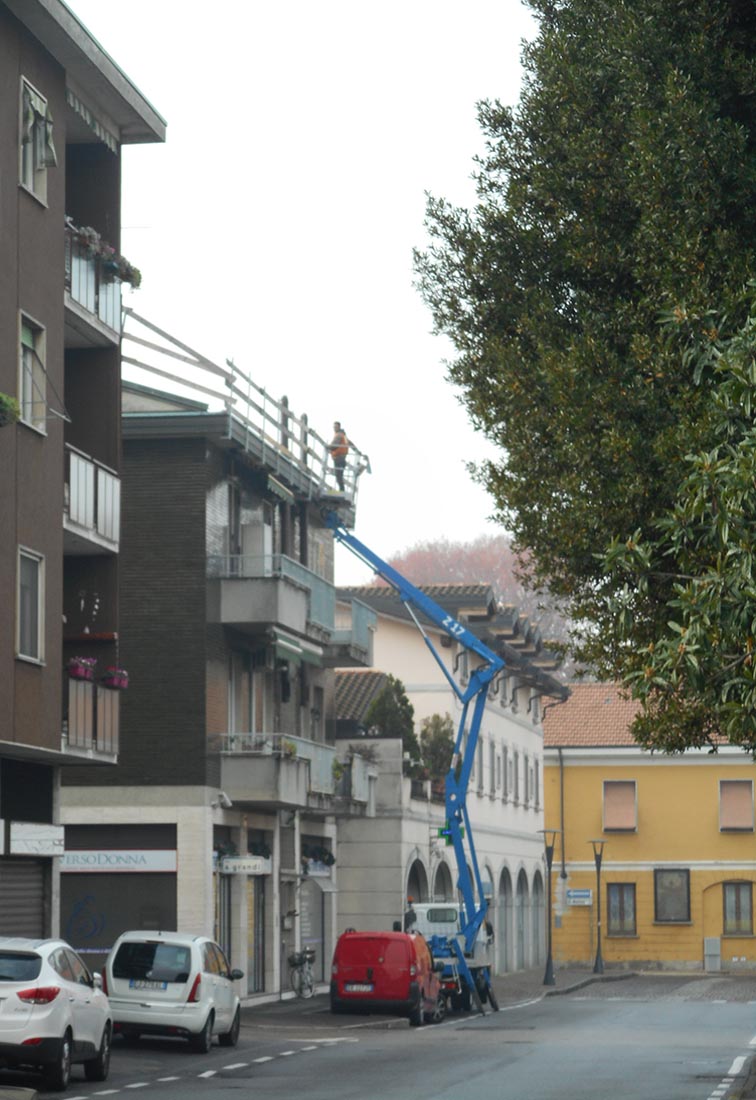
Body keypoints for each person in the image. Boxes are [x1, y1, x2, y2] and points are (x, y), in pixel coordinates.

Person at [329, 421, 349, 491]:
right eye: (334, 427)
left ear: (339, 427)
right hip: (342, 458)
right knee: (339, 475)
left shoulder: (339, 435)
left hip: (339, 457)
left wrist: (328, 447)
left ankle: (341, 490)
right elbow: (349, 443)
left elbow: (334, 445)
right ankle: (341, 489)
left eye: (336, 427)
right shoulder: (344, 435)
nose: (334, 428)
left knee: (338, 475)